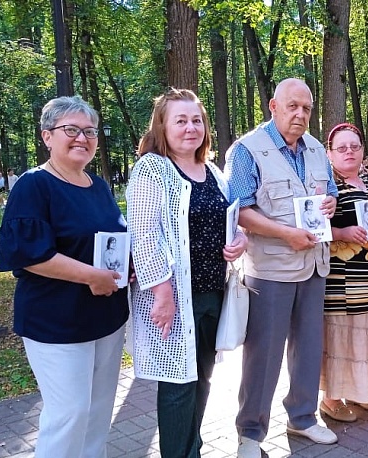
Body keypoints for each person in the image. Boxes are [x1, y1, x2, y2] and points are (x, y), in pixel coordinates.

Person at [0, 96, 128, 457]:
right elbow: (28, 254)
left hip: (106, 318)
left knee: (98, 413)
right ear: (47, 136)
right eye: (71, 130)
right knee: (69, 414)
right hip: (56, 321)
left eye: (89, 131)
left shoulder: (98, 186)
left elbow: (110, 240)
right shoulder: (34, 185)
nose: (81, 138)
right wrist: (91, 276)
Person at [126, 88, 247, 458]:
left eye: (196, 120)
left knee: (203, 379)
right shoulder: (153, 168)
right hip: (176, 298)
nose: (190, 127)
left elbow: (229, 222)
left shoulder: (212, 171)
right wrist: (162, 293)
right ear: (162, 126)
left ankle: (192, 447)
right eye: (180, 120)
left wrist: (239, 239)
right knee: (178, 384)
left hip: (214, 292)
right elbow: (143, 234)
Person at [225, 78, 339, 457]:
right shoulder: (247, 150)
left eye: (306, 108)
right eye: (293, 106)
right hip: (270, 269)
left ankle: (303, 418)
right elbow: (240, 211)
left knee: (308, 348)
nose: (300, 114)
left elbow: (332, 195)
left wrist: (330, 207)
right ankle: (251, 433)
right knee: (264, 354)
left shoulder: (316, 149)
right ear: (273, 106)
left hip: (314, 265)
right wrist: (286, 234)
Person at [319, 122, 368, 422]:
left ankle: (359, 392)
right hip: (340, 278)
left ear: (363, 152)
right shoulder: (326, 188)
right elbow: (315, 227)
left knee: (364, 336)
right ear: (330, 153)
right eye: (342, 148)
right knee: (340, 337)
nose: (349, 152)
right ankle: (331, 399)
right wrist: (342, 233)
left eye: (355, 146)